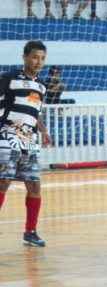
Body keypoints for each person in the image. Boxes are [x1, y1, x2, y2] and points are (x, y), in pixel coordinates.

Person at [0, 40, 54, 247]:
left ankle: (30, 232)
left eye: (42, 58)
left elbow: (36, 112)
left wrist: (44, 130)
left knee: (34, 186)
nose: (38, 62)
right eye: (34, 57)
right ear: (24, 57)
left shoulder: (42, 86)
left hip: (29, 140)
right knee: (3, 182)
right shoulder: (9, 78)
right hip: (7, 136)